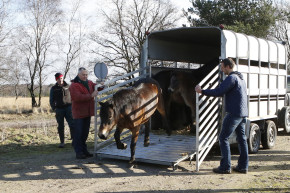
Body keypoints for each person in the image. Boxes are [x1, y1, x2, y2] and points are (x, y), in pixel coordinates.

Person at [195, 58, 249, 174]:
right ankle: (243, 166)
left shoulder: (231, 78)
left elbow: (219, 92)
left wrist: (202, 91)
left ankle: (225, 167)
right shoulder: (241, 78)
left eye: (223, 67)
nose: (222, 69)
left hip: (234, 113)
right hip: (243, 114)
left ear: (228, 66)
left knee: (223, 138)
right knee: (242, 139)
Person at [69, 67, 99, 159]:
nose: (85, 76)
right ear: (78, 75)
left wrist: (101, 84)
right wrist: (91, 95)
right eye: (83, 75)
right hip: (79, 113)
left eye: (86, 74)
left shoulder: (89, 83)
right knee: (78, 133)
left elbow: (97, 87)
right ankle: (79, 152)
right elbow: (77, 97)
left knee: (85, 133)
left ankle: (84, 151)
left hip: (87, 112)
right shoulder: (74, 85)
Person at [49, 73, 74, 148]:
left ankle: (74, 140)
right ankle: (62, 142)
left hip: (68, 108)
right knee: (60, 126)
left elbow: (73, 96)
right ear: (56, 79)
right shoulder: (53, 88)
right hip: (59, 109)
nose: (61, 80)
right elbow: (51, 99)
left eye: (61, 78)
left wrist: (72, 106)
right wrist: (54, 108)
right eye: (59, 79)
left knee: (72, 124)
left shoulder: (68, 86)